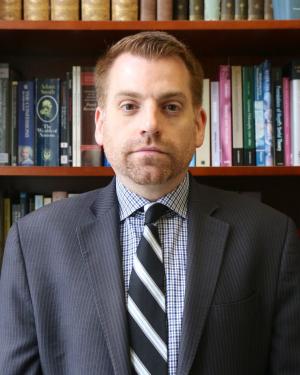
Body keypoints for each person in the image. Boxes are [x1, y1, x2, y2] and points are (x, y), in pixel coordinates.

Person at [0, 31, 299, 375]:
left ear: (199, 126)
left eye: (170, 106)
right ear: (100, 124)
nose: (150, 124)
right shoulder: (33, 241)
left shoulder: (271, 237)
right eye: (129, 106)